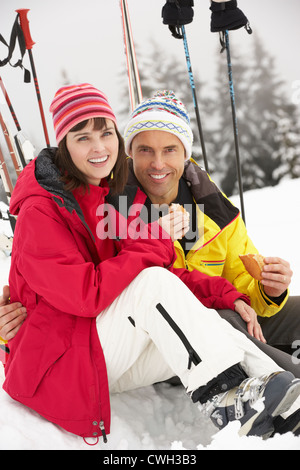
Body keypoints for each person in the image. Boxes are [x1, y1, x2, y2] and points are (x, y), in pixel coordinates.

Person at [1, 83, 300, 441]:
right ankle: (223, 397)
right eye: (82, 137)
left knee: (210, 320)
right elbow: (87, 294)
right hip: (62, 364)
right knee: (153, 285)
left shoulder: (105, 194)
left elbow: (167, 274)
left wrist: (225, 293)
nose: (99, 147)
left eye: (106, 133)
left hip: (100, 347)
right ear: (63, 143)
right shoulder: (42, 210)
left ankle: (285, 401)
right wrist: (155, 238)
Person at [121, 90, 300, 379]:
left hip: (231, 319)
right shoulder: (115, 207)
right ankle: (287, 385)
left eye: (169, 149)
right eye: (145, 150)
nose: (158, 163)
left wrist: (268, 289)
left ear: (185, 153)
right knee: (224, 319)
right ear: (130, 153)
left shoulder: (211, 206)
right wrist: (156, 236)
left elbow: (241, 282)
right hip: (172, 347)